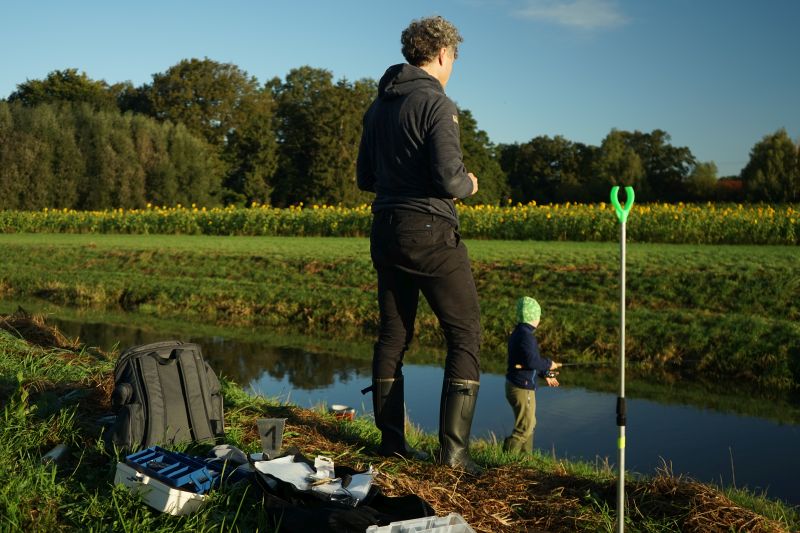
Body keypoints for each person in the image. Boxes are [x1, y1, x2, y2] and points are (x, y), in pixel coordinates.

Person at [356, 15, 483, 475]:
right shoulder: (437, 104)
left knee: (393, 335)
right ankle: (454, 457)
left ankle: (391, 445)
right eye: (455, 57)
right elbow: (449, 179)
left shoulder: (378, 108)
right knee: (465, 333)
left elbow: (364, 178)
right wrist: (469, 184)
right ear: (444, 53)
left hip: (385, 229)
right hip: (430, 233)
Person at [503, 296, 562, 454]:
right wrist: (549, 364)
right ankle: (506, 460)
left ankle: (525, 459)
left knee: (530, 423)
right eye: (538, 315)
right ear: (534, 317)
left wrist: (545, 373)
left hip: (515, 384)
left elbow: (527, 361)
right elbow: (532, 361)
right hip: (522, 388)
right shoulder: (527, 336)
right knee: (524, 427)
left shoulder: (518, 333)